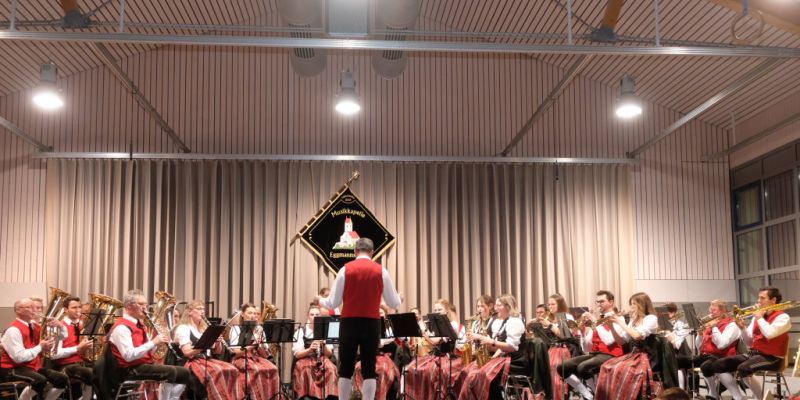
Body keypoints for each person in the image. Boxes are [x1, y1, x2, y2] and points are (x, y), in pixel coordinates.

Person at [318, 237, 403, 400]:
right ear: (372, 252)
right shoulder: (382, 271)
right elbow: (393, 302)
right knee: (369, 369)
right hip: (371, 323)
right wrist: (400, 298)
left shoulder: (344, 270)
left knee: (346, 368)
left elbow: (333, 302)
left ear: (355, 251)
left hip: (349, 323)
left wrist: (319, 300)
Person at [105, 290, 194, 400]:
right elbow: (128, 356)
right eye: (141, 304)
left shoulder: (140, 325)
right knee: (171, 372)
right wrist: (153, 342)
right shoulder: (121, 327)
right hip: (128, 370)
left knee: (185, 373)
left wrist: (156, 342)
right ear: (128, 306)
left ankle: (173, 398)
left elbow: (149, 352)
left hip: (142, 365)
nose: (145, 307)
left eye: (145, 304)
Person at [709, 287, 792, 400]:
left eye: (762, 298)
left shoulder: (783, 317)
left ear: (773, 300)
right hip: (754, 354)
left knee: (744, 368)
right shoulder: (757, 318)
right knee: (718, 365)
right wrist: (742, 328)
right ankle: (738, 397)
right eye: (758, 298)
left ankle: (761, 398)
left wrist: (759, 318)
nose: (758, 301)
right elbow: (749, 342)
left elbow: (770, 334)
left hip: (773, 358)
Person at [558, 290, 626, 399]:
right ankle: (588, 394)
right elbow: (586, 348)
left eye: (602, 301)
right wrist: (583, 332)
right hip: (595, 354)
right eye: (597, 302)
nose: (598, 304)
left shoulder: (618, 318)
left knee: (582, 367)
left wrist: (595, 322)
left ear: (611, 302)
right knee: (562, 367)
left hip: (612, 354)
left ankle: (595, 395)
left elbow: (609, 341)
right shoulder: (598, 320)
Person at [459, 294, 528, 400]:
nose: (495, 308)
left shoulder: (515, 322)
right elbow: (499, 347)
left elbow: (511, 347)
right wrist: (486, 346)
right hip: (502, 357)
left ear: (508, 307)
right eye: (495, 305)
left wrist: (492, 342)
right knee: (469, 371)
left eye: (498, 305)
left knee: (483, 374)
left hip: (514, 361)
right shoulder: (499, 322)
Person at [595, 292, 661, 400]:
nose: (631, 307)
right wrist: (611, 327)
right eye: (631, 304)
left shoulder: (651, 318)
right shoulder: (633, 321)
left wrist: (619, 322)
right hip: (634, 355)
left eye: (634, 304)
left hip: (647, 356)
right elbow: (621, 341)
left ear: (642, 304)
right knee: (607, 366)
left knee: (620, 369)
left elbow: (637, 336)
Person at [0, 297, 69, 400]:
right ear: (18, 310)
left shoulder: (34, 326)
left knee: (62, 379)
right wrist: (40, 347)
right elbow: (18, 358)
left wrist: (60, 326)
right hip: (12, 369)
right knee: (40, 381)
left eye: (35, 307)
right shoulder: (13, 330)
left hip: (31, 367)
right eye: (30, 307)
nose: (34, 310)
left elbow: (62, 337)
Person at [174, 300, 240, 400]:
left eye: (203, 309)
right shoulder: (183, 328)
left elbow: (217, 352)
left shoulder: (203, 328)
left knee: (232, 369)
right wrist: (204, 345)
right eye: (199, 309)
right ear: (190, 312)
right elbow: (187, 352)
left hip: (206, 360)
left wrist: (217, 342)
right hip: (191, 362)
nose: (202, 311)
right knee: (217, 371)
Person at [675, 300, 739, 399]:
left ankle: (713, 394)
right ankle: (679, 394)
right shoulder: (709, 325)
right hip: (707, 355)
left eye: (714, 310)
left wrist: (714, 328)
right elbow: (699, 347)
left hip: (722, 356)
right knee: (677, 361)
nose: (710, 313)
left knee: (706, 365)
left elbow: (721, 345)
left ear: (723, 310)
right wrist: (700, 335)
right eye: (710, 310)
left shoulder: (732, 325)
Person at [404, 299, 466, 400]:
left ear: (446, 310)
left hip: (448, 357)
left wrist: (424, 330)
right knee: (411, 368)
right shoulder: (436, 325)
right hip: (436, 356)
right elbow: (432, 341)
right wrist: (423, 330)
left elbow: (434, 342)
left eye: (439, 309)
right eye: (435, 310)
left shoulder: (453, 324)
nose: (437, 312)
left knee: (431, 371)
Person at [228, 303, 280, 400]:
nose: (253, 316)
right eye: (250, 313)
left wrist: (260, 344)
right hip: (240, 358)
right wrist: (251, 345)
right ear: (243, 314)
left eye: (255, 313)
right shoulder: (236, 329)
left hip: (256, 358)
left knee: (273, 368)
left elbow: (264, 355)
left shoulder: (259, 329)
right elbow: (236, 353)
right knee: (255, 370)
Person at [51, 296, 94, 400]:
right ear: (65, 310)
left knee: (104, 368)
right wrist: (78, 348)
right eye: (74, 307)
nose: (78, 310)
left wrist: (90, 346)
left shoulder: (83, 325)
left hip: (82, 362)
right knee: (91, 373)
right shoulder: (59, 326)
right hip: (65, 365)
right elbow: (54, 354)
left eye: (79, 307)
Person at [292, 303, 338, 399]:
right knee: (305, 369)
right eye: (312, 314)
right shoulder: (301, 332)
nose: (314, 317)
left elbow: (329, 354)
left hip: (322, 358)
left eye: (317, 315)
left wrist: (323, 345)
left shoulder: (325, 331)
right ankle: (307, 396)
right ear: (308, 316)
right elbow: (297, 354)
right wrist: (310, 349)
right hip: (305, 358)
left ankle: (329, 396)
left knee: (331, 368)